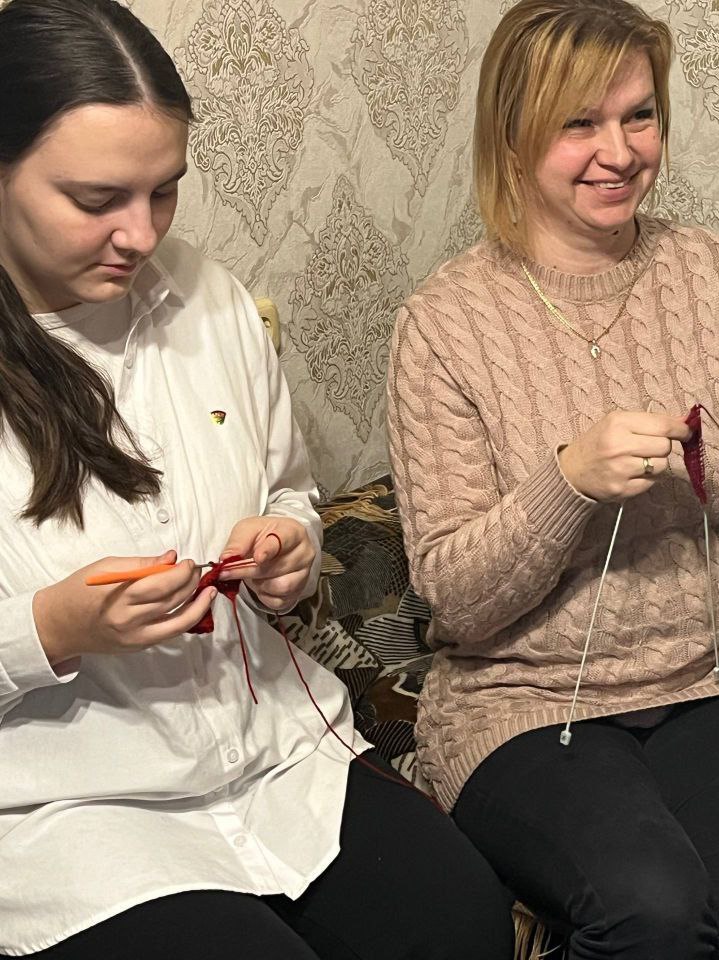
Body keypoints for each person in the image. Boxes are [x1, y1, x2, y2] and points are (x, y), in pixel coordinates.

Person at [0, 1, 513, 957]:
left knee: (463, 924)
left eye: (164, 191)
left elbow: (286, 492)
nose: (141, 234)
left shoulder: (209, 298)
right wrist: (52, 630)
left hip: (272, 755)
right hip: (66, 810)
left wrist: (290, 546)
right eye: (97, 199)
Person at [386, 1, 719, 956]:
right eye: (579, 123)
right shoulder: (443, 325)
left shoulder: (718, 276)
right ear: (513, 137)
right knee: (651, 906)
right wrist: (567, 482)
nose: (620, 152)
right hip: (525, 695)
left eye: (639, 116)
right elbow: (454, 599)